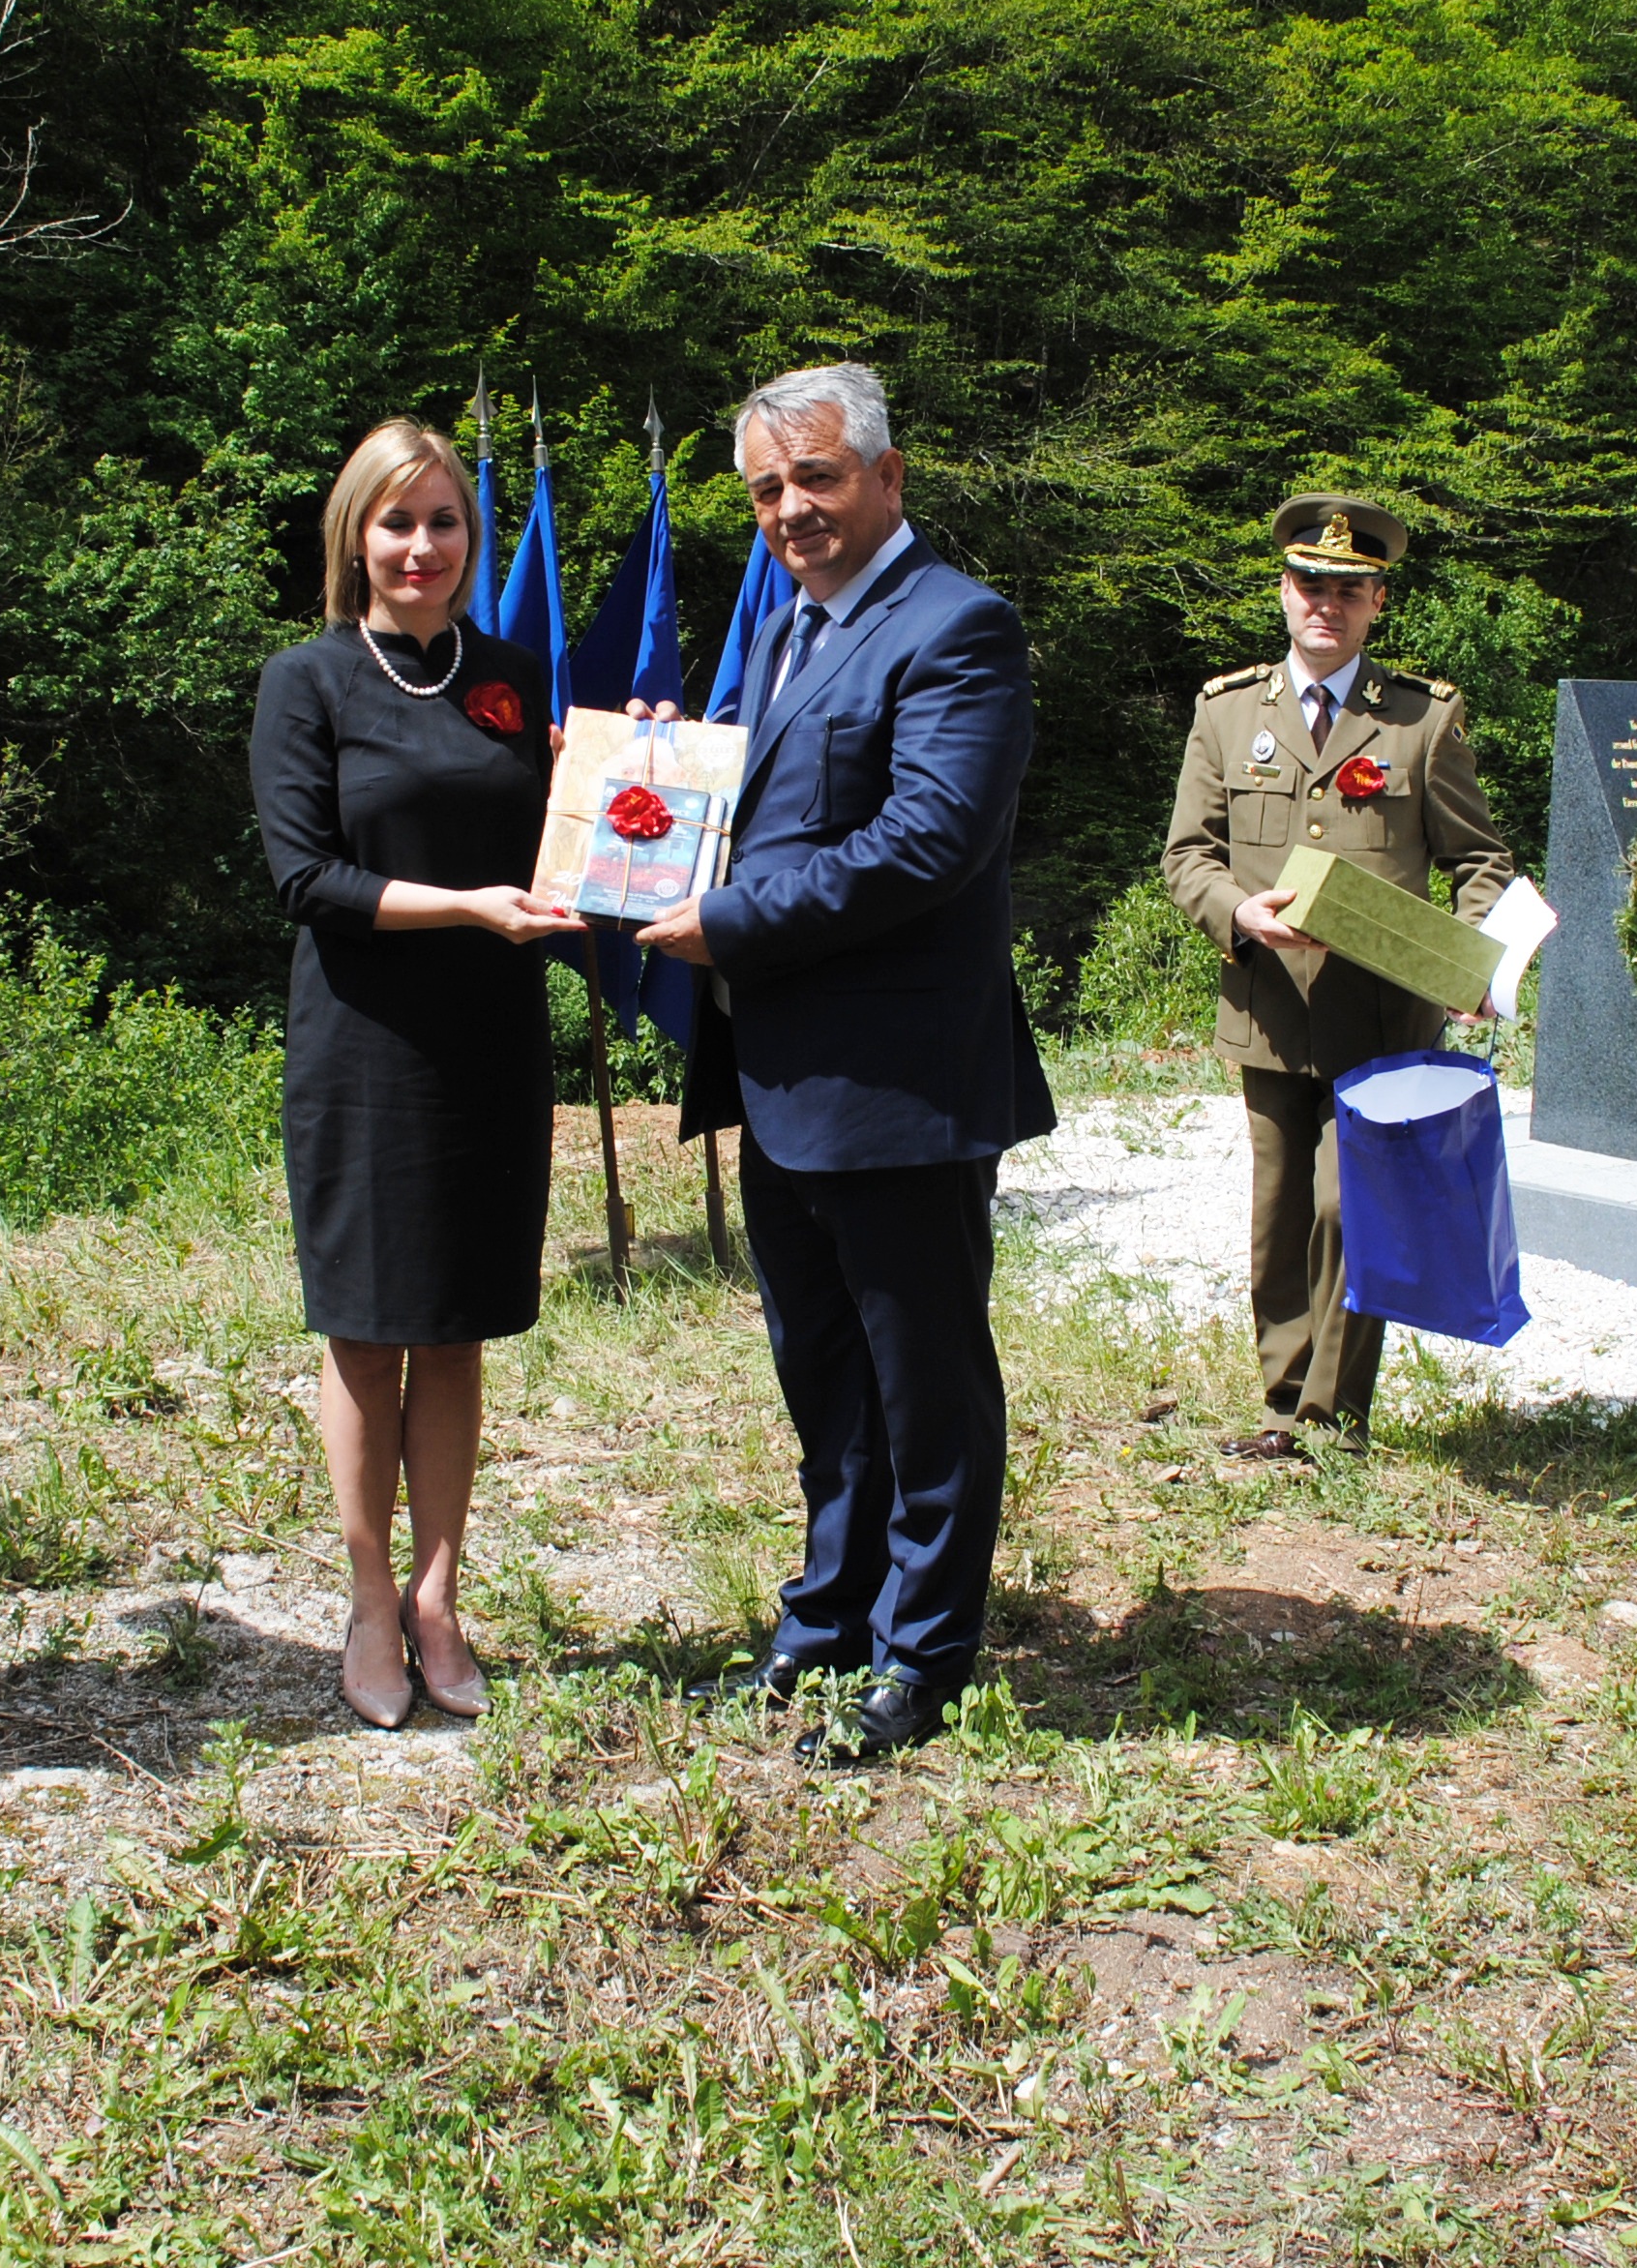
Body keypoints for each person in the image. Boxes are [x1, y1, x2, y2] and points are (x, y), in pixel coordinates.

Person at [638, 363, 1054, 1766]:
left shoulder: (959, 626)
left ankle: (922, 1660)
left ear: (886, 476)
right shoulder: (788, 635)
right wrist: (671, 787)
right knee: (823, 1377)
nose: (790, 510)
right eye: (766, 489)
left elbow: (927, 844)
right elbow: (783, 812)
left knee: (925, 1386)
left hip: (901, 1086)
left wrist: (730, 919)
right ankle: (826, 1621)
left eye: (815, 478)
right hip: (785, 1083)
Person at [251, 418, 580, 1730]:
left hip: (493, 1040)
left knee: (456, 1332)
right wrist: (468, 909)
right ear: (356, 537)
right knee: (370, 1328)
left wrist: (636, 768)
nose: (423, 547)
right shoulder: (309, 681)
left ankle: (443, 1594)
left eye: (443, 522)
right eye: (397, 523)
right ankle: (371, 1597)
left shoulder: (511, 676)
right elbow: (303, 877)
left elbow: (565, 833)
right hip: (368, 1046)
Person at [1158, 494, 1514, 1460]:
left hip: (1384, 1014)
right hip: (1268, 1009)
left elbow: (1481, 860)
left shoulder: (1418, 721)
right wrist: (1236, 911)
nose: (1325, 604)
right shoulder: (1227, 712)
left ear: (1376, 603)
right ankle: (1281, 1408)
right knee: (1278, 1220)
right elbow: (1188, 854)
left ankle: (1330, 1420)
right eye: (1309, 584)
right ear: (1283, 592)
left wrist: (1466, 957)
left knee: (1343, 1208)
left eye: (1346, 591)